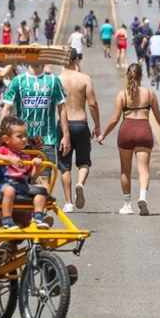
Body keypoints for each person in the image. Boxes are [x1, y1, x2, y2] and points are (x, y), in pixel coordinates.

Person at [98, 63, 160, 216]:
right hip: (144, 130)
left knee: (125, 170)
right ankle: (143, 197)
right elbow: (158, 116)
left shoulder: (122, 95)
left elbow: (115, 119)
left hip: (127, 131)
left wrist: (104, 134)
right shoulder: (149, 94)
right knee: (143, 169)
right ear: (141, 76)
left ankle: (127, 204)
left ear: (127, 76)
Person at [0, 58, 71, 185]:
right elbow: (7, 108)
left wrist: (66, 135)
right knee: (20, 177)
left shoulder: (53, 80)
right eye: (33, 55)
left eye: (39, 55)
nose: (36, 58)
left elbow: (62, 108)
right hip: (20, 140)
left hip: (47, 138)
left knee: (44, 178)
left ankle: (43, 205)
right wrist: (0, 133)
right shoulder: (18, 81)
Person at [57, 49, 100, 213]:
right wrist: (97, 126)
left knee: (64, 165)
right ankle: (80, 183)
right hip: (81, 124)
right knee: (83, 162)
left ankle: (68, 202)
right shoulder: (85, 79)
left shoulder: (57, 80)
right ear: (77, 60)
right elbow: (92, 104)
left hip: (63, 125)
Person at [0, 116, 51, 231]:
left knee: (41, 189)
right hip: (3, 184)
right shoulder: (4, 150)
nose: (24, 139)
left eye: (25, 136)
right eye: (19, 136)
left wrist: (37, 166)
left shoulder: (25, 155)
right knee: (9, 190)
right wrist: (8, 159)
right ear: (6, 139)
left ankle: (38, 217)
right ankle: (7, 220)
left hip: (21, 185)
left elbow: (32, 176)